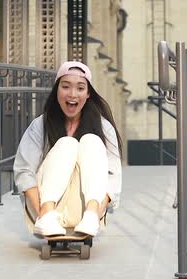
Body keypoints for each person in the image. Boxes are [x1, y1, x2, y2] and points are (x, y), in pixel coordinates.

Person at [13, 61, 122, 237]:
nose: (72, 94)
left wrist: (97, 214)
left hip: (87, 210)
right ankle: (47, 217)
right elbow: (24, 172)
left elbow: (113, 177)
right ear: (57, 90)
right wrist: (42, 213)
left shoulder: (103, 127)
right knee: (67, 144)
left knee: (91, 141)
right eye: (65, 86)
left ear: (88, 94)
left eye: (80, 88)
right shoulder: (40, 125)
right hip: (44, 209)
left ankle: (91, 216)